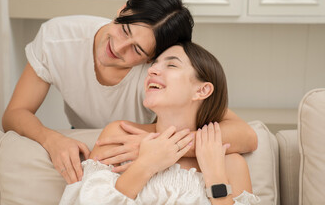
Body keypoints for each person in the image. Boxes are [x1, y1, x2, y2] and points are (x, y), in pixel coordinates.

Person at [2, 0, 257, 184]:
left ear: (151, 59)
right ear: (123, 9)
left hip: (140, 142)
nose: (117, 48)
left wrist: (156, 145)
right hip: (89, 139)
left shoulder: (156, 73)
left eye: (136, 49)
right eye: (124, 30)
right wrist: (51, 139)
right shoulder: (57, 38)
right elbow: (15, 113)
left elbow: (245, 134)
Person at [59, 42, 261, 205]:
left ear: (202, 91)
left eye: (171, 65)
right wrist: (147, 164)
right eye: (154, 64)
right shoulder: (120, 136)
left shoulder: (229, 163)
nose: (153, 70)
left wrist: (216, 178)